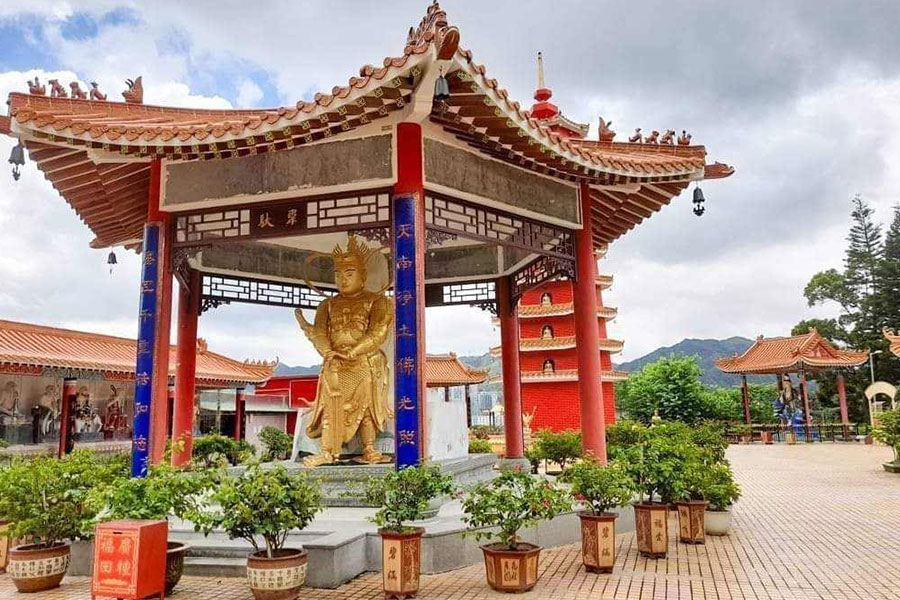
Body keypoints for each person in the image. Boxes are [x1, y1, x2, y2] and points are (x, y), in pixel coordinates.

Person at [295, 236, 393, 467]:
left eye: (349, 273)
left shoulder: (377, 301)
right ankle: (328, 452)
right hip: (335, 363)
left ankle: (369, 449)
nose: (342, 280)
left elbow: (379, 332)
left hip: (364, 362)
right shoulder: (327, 304)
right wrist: (327, 351)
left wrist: (356, 350)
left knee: (367, 408)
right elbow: (319, 332)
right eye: (338, 275)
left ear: (363, 276)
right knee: (331, 407)